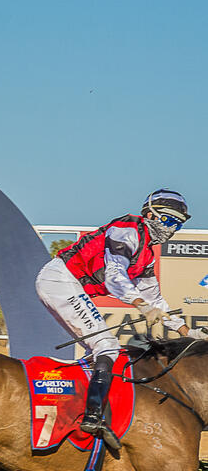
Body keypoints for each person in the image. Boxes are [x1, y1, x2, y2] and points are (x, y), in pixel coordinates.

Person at [35, 188, 205, 450]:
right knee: (108, 346)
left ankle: (77, 402)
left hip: (71, 286)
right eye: (169, 221)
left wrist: (186, 331)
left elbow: (156, 301)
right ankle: (93, 417)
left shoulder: (146, 254)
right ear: (150, 214)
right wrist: (140, 305)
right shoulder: (127, 228)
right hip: (60, 280)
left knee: (99, 349)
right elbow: (115, 276)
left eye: (178, 225)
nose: (172, 229)